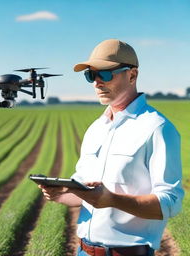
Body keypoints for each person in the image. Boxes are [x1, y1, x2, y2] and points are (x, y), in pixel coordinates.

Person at [39, 39, 184, 256]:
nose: (96, 82)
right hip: (83, 251)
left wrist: (111, 200)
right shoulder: (96, 129)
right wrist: (61, 193)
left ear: (132, 75)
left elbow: (170, 203)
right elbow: (85, 194)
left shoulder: (157, 128)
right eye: (91, 75)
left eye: (105, 74)